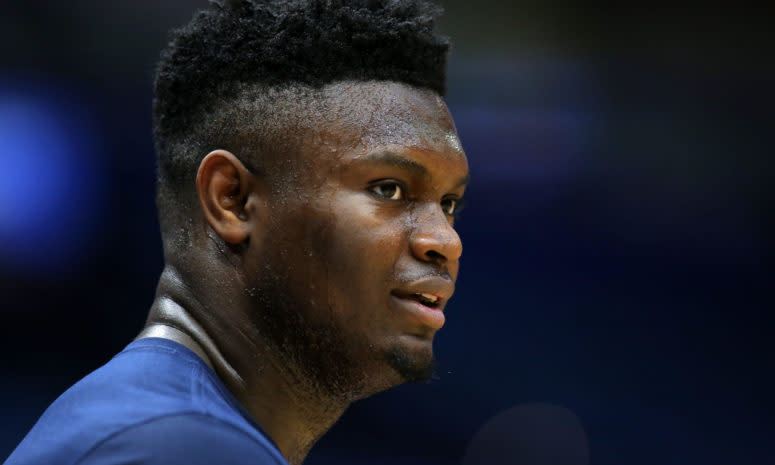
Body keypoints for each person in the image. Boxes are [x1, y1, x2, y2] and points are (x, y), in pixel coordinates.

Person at [5, 0, 469, 464]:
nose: (444, 240)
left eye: (448, 204)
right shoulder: (181, 446)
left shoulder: (159, 417)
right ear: (233, 200)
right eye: (387, 189)